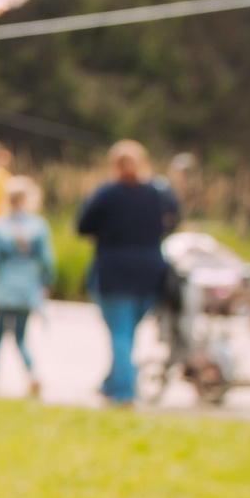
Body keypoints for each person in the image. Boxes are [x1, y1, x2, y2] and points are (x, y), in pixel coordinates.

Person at [76, 139, 182, 407]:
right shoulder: (159, 193)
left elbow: (82, 225)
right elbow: (175, 219)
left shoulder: (107, 193)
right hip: (151, 270)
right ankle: (112, 382)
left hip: (115, 269)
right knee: (127, 331)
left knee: (120, 331)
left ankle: (124, 391)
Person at [0, 176, 55, 396]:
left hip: (4, 286)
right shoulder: (38, 226)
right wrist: (45, 283)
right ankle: (31, 373)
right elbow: (48, 261)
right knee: (21, 337)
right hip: (27, 288)